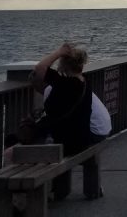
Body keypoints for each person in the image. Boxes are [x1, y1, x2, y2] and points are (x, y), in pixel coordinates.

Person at [31, 43, 98, 200]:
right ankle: (55, 190)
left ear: (64, 64)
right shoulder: (84, 81)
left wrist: (58, 52)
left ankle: (22, 200)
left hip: (65, 144)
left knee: (12, 152)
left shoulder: (66, 84)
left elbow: (40, 68)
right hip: (81, 141)